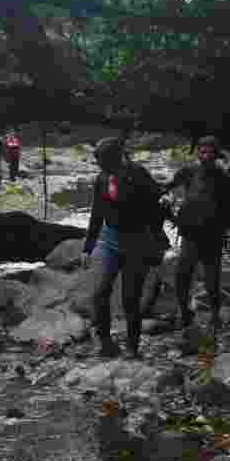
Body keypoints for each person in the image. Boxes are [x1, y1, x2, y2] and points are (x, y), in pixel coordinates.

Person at [83, 137, 165, 358]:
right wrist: (87, 247)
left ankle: (132, 346)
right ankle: (106, 342)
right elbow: (97, 214)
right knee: (100, 294)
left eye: (103, 161)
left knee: (130, 298)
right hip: (110, 241)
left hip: (137, 243)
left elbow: (159, 200)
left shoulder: (137, 174)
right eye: (98, 162)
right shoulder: (101, 179)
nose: (100, 166)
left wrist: (157, 237)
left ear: (116, 158)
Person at [164, 136, 230, 333]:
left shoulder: (223, 178)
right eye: (202, 151)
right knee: (182, 274)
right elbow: (168, 186)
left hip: (212, 235)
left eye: (209, 152)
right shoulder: (188, 172)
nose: (204, 156)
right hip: (189, 233)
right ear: (198, 152)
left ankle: (215, 315)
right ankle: (184, 311)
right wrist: (167, 196)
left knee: (212, 278)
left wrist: (224, 229)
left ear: (215, 155)